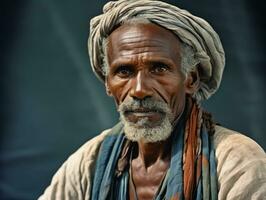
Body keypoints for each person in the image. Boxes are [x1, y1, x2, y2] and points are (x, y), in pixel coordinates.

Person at [38, 0, 266, 199]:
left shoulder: (236, 162)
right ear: (108, 84)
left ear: (191, 79)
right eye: (124, 72)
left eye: (159, 69)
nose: (139, 90)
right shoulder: (91, 162)